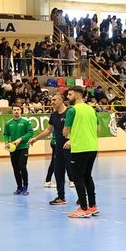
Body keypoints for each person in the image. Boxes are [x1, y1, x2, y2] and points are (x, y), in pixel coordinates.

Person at [63, 86, 98, 219]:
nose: (68, 97)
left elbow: (65, 131)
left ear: (78, 95)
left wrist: (71, 137)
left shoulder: (72, 110)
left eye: (70, 94)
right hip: (92, 147)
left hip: (79, 148)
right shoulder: (91, 109)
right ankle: (93, 206)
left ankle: (83, 208)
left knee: (78, 177)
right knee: (87, 176)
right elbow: (98, 128)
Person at [31, 93, 68, 205]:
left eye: (54, 100)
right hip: (58, 149)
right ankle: (61, 197)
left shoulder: (70, 113)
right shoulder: (54, 115)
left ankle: (82, 197)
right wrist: (36, 138)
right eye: (51, 100)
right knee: (58, 172)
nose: (51, 102)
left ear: (61, 100)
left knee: (75, 174)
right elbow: (48, 130)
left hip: (71, 148)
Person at [2, 105, 34, 196]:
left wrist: (21, 139)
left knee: (22, 166)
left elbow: (31, 133)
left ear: (21, 111)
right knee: (15, 168)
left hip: (23, 147)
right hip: (13, 149)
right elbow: (5, 134)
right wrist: (6, 142)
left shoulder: (26, 122)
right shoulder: (8, 123)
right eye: (14, 110)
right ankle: (19, 187)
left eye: (18, 110)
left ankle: (25, 187)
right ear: (12, 111)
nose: (16, 111)